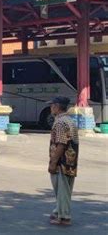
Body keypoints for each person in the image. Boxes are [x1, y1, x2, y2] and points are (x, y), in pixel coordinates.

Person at [47, 96, 79, 226]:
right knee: (65, 189)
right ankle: (58, 211)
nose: (50, 107)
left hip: (62, 161)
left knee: (62, 190)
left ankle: (64, 216)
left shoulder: (60, 122)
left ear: (57, 106)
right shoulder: (69, 120)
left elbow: (61, 144)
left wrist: (53, 162)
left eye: (52, 105)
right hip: (70, 161)